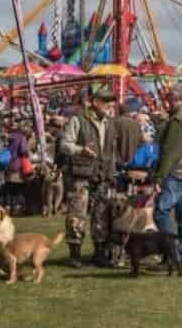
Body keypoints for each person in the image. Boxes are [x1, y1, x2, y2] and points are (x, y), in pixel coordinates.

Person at [59, 86, 118, 268]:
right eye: (106, 101)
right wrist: (81, 150)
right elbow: (64, 144)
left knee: (101, 216)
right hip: (81, 175)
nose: (109, 105)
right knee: (77, 215)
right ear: (95, 102)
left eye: (111, 102)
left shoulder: (109, 122)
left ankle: (99, 254)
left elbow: (111, 151)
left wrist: (111, 172)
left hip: (102, 175)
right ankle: (75, 255)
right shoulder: (78, 119)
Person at [153, 83, 182, 270]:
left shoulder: (177, 121)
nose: (166, 102)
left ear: (175, 99)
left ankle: (172, 252)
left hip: (175, 173)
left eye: (168, 98)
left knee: (161, 212)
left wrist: (158, 178)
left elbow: (170, 152)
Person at [114, 103, 144, 183]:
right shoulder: (136, 124)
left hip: (118, 158)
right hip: (133, 158)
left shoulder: (115, 122)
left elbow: (111, 141)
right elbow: (141, 142)